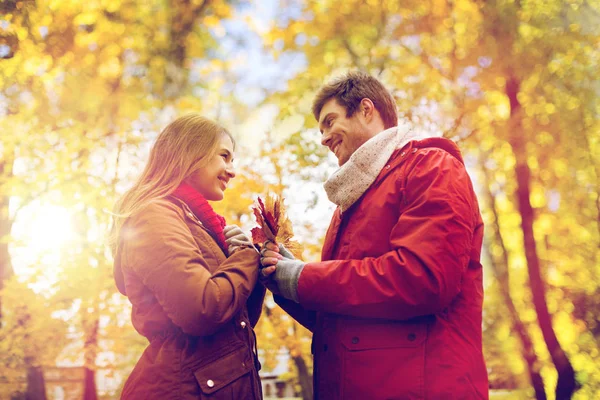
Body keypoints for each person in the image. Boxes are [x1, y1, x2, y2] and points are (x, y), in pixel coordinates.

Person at [261, 72, 488, 399]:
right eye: (320, 129)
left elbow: (423, 279)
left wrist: (303, 277)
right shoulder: (348, 207)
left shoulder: (431, 168)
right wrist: (284, 279)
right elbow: (341, 321)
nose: (324, 138)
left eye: (330, 122)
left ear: (366, 110)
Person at [110, 114, 265, 399]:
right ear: (191, 152)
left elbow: (236, 323)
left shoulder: (202, 225)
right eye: (224, 156)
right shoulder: (154, 215)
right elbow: (202, 310)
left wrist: (256, 266)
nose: (232, 171)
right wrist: (245, 258)